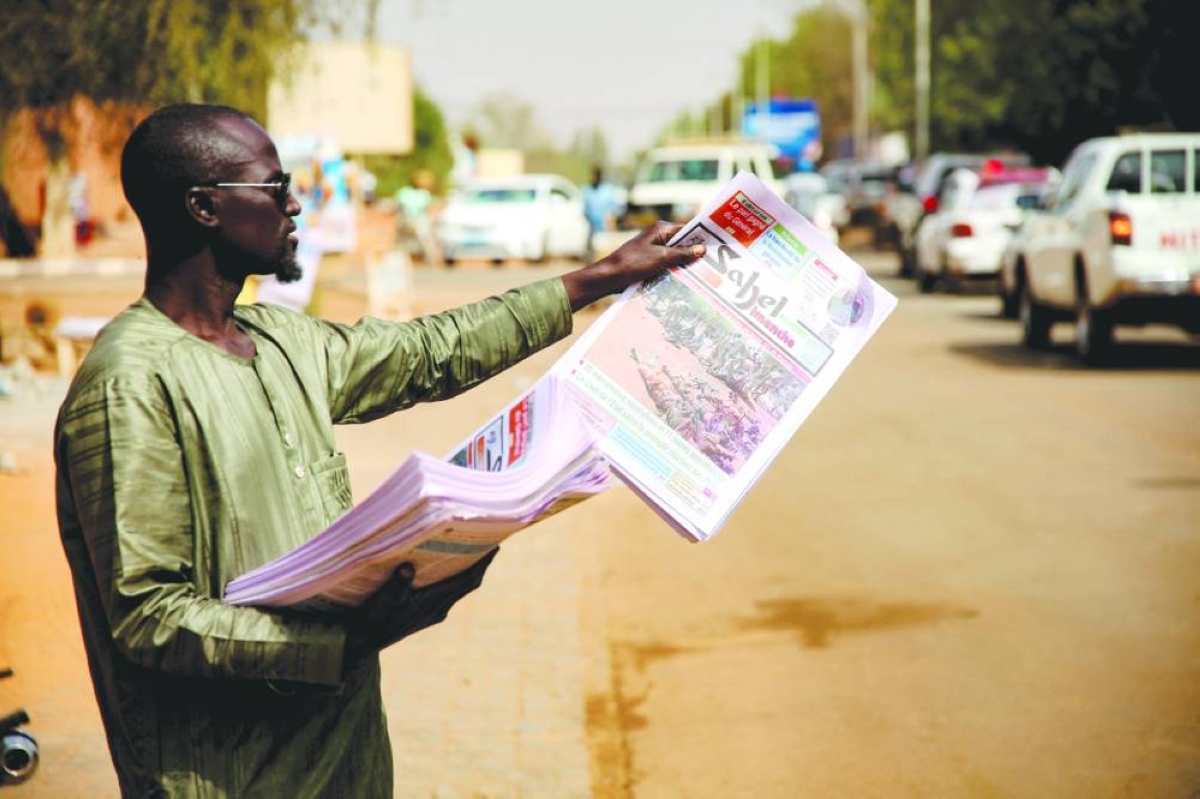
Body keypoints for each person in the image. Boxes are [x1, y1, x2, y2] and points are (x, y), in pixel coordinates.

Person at [53, 103, 704, 797]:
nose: (296, 205)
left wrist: (594, 281)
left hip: (347, 763)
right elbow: (150, 617)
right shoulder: (129, 384)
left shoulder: (281, 341)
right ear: (205, 207)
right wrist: (348, 641)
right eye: (276, 189)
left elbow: (431, 352)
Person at [581, 166, 620, 259]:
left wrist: (611, 227)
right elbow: (584, 209)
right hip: (592, 228)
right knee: (592, 254)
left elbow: (613, 210)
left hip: (605, 228)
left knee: (605, 254)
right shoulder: (587, 190)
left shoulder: (607, 190)